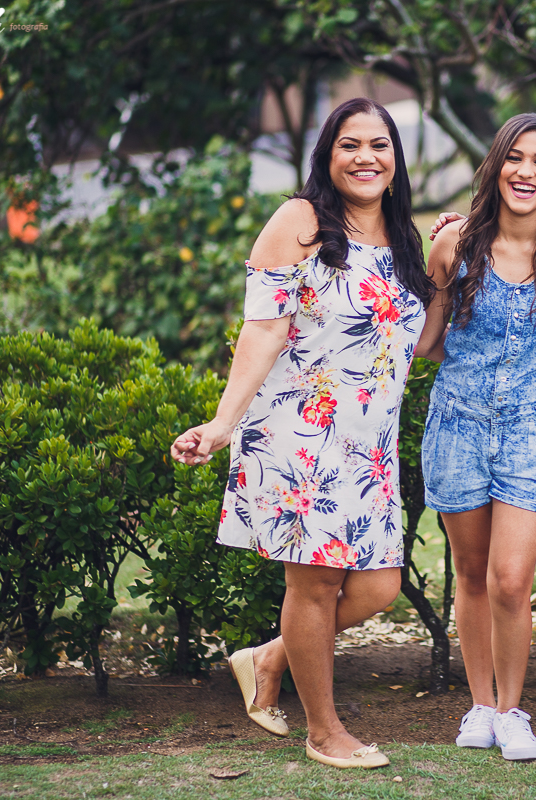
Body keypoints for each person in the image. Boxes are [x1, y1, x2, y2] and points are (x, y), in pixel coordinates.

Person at [170, 98, 435, 770]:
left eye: (380, 145)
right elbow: (264, 328)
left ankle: (267, 658)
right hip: (303, 439)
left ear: (397, 159)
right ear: (328, 154)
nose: (366, 157)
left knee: (377, 587)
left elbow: (417, 343)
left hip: (370, 451)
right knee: (314, 588)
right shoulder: (301, 221)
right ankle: (325, 731)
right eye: (350, 144)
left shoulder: (405, 239)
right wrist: (222, 425)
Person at [417, 113, 536, 761]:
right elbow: (428, 344)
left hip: (534, 428)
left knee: (512, 580)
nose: (527, 171)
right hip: (457, 426)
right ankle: (480, 707)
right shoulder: (453, 245)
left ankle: (512, 710)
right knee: (470, 573)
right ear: (496, 167)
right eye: (515, 158)